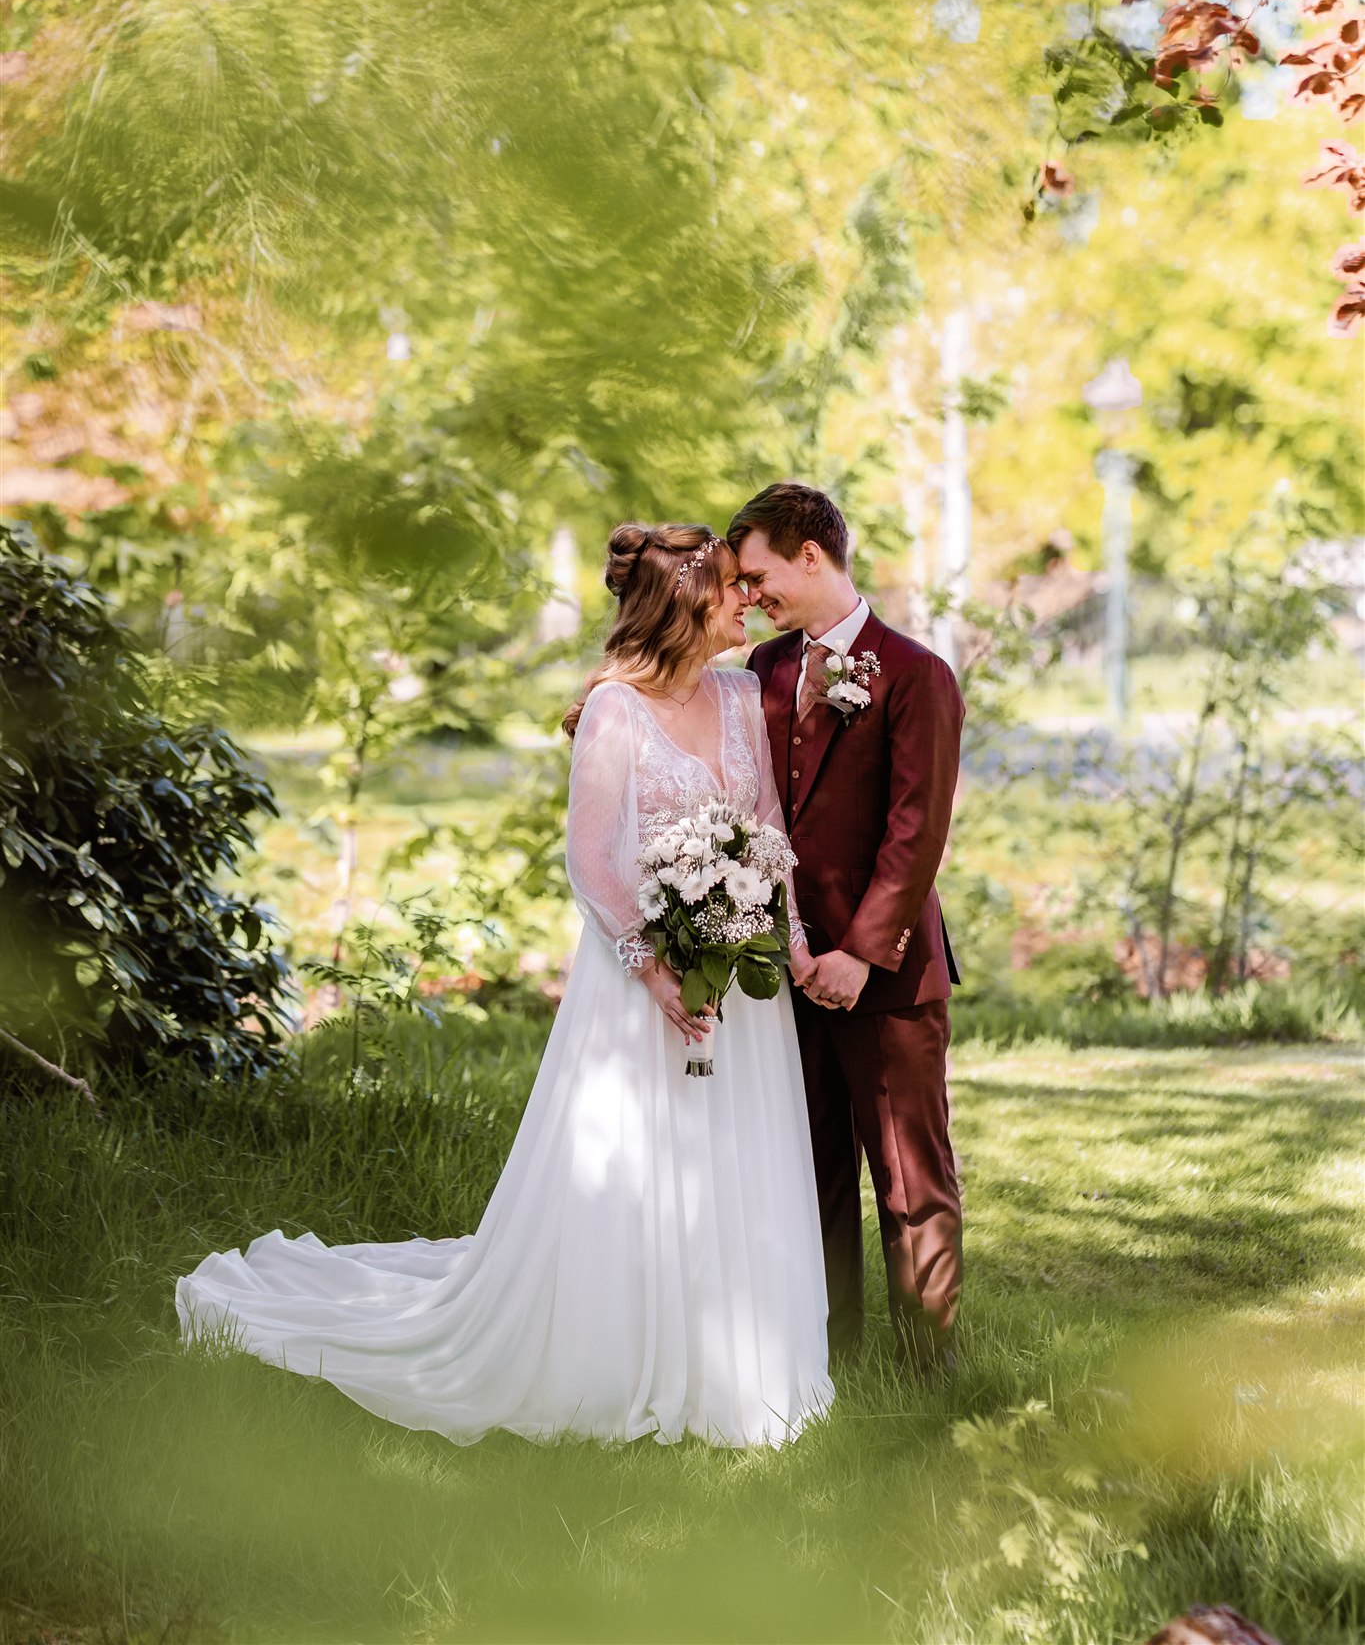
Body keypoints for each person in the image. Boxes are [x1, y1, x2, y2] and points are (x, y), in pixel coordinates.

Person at [176, 523, 832, 1449]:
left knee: (735, 1151)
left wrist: (783, 939)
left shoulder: (737, 697)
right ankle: (620, 1352)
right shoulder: (613, 712)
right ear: (687, 602)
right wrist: (656, 970)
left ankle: (735, 1361)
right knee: (642, 1161)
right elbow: (591, 863)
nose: (746, 602)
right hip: (639, 984)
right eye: (730, 588)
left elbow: (767, 831)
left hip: (737, 976)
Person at [730, 481, 965, 1376]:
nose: (750, 597)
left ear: (811, 556)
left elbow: (917, 831)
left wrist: (861, 954)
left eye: (758, 577)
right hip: (786, 971)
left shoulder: (915, 674)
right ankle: (825, 1356)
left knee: (909, 1179)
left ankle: (925, 1369)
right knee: (809, 1170)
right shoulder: (762, 672)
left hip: (889, 977)